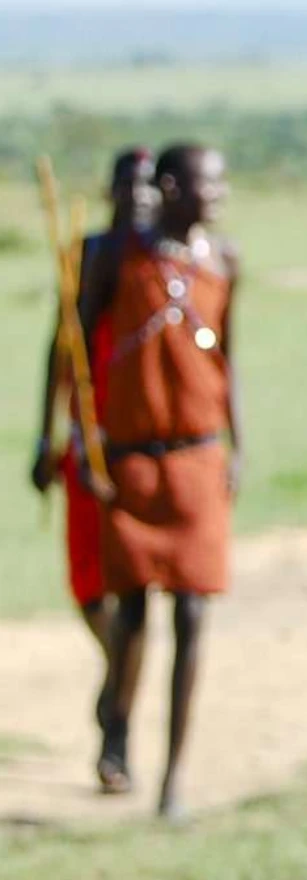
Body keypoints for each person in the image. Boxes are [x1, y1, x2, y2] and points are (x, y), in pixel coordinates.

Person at [78, 142, 239, 820]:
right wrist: (81, 445)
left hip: (199, 459)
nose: (218, 195)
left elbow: (232, 357)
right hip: (131, 461)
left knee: (195, 613)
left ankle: (175, 776)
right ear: (171, 188)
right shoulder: (115, 256)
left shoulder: (225, 259)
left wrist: (240, 445)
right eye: (207, 183)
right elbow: (79, 353)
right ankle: (118, 730)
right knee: (133, 615)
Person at [30, 148, 155, 691]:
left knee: (134, 582)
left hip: (145, 447)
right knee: (87, 582)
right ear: (110, 192)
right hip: (89, 445)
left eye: (150, 185)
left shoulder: (164, 265)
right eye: (128, 185)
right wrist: (45, 436)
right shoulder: (86, 256)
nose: (139, 196)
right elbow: (59, 353)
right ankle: (119, 674)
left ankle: (119, 699)